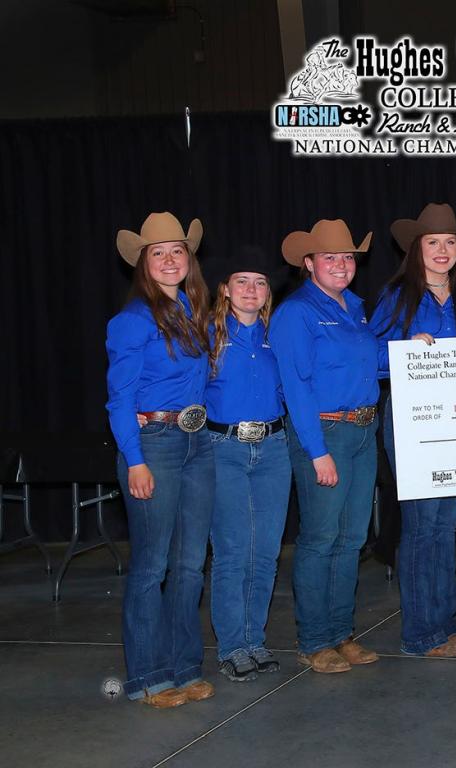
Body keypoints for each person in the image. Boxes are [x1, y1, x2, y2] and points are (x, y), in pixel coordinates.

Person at [107, 212, 215, 708]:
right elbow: (119, 397)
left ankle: (185, 667)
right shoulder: (131, 321)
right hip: (153, 444)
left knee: (190, 564)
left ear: (188, 259)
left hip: (197, 443)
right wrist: (134, 460)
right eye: (159, 253)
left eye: (177, 251)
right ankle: (147, 678)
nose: (170, 260)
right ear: (144, 264)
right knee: (152, 566)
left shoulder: (196, 311)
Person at [269, 220, 380, 674]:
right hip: (325, 432)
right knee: (320, 538)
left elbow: (370, 366)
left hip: (363, 430)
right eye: (330, 257)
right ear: (309, 263)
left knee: (352, 537)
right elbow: (295, 386)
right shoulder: (296, 312)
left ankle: (341, 632)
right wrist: (316, 451)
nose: (341, 264)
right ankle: (314, 639)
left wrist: (417, 352)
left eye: (348, 257)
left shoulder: (355, 307)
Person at [370, 203, 456, 658]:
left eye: (449, 242)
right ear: (417, 249)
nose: (442, 250)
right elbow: (371, 357)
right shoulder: (398, 295)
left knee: (445, 523)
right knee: (420, 526)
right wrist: (402, 349)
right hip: (413, 420)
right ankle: (420, 633)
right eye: (432, 242)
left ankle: (445, 622)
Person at [203, 248, 291, 682]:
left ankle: (254, 638)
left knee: (266, 551)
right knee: (233, 550)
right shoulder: (207, 335)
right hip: (224, 448)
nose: (251, 290)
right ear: (225, 289)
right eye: (242, 281)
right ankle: (232, 646)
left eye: (259, 283)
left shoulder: (279, 335)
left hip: (274, 448)